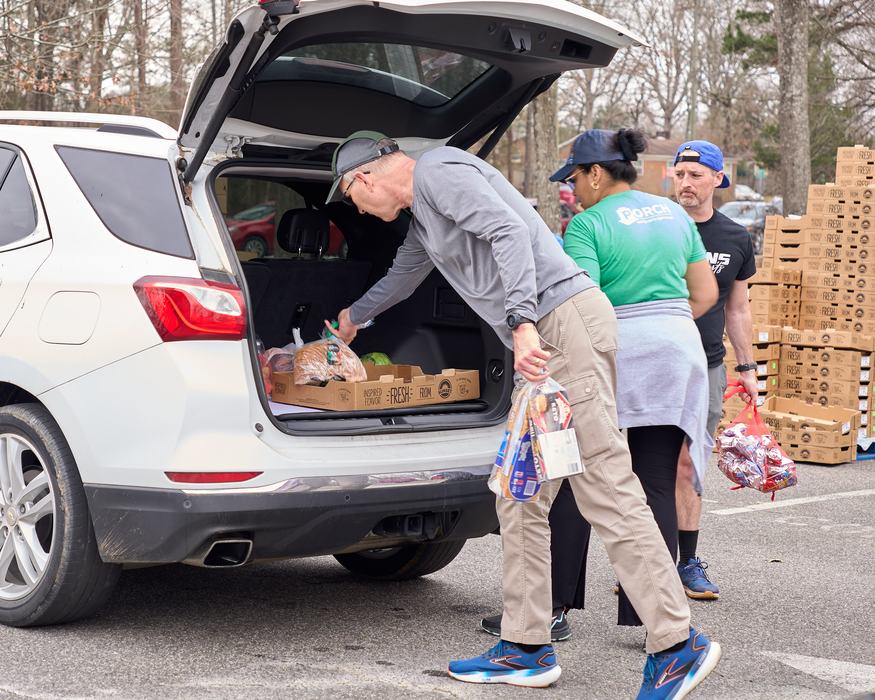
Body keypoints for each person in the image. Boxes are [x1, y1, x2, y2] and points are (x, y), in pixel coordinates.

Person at [325, 129, 722, 695]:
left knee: (605, 484)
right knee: (519, 492)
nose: (359, 210)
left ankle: (678, 644)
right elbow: (404, 275)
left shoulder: (439, 170)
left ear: (363, 175)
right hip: (542, 336)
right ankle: (526, 646)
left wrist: (521, 321)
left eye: (352, 198)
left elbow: (509, 230)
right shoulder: (426, 219)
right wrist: (354, 316)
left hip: (559, 325)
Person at [550, 128, 718, 634]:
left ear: (596, 174)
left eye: (575, 177)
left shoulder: (586, 225)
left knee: (579, 477)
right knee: (657, 483)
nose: (573, 188)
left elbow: (584, 305)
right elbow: (706, 292)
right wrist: (664, 325)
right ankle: (651, 617)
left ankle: (551, 611)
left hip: (617, 352)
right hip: (677, 350)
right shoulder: (674, 214)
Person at [672, 140, 758, 599]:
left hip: (706, 365)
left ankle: (687, 562)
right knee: (643, 464)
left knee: (689, 464)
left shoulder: (735, 238)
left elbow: (737, 308)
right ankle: (646, 561)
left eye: (696, 175)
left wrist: (746, 365)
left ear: (718, 180)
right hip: (652, 365)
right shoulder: (657, 226)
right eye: (680, 174)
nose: (686, 183)